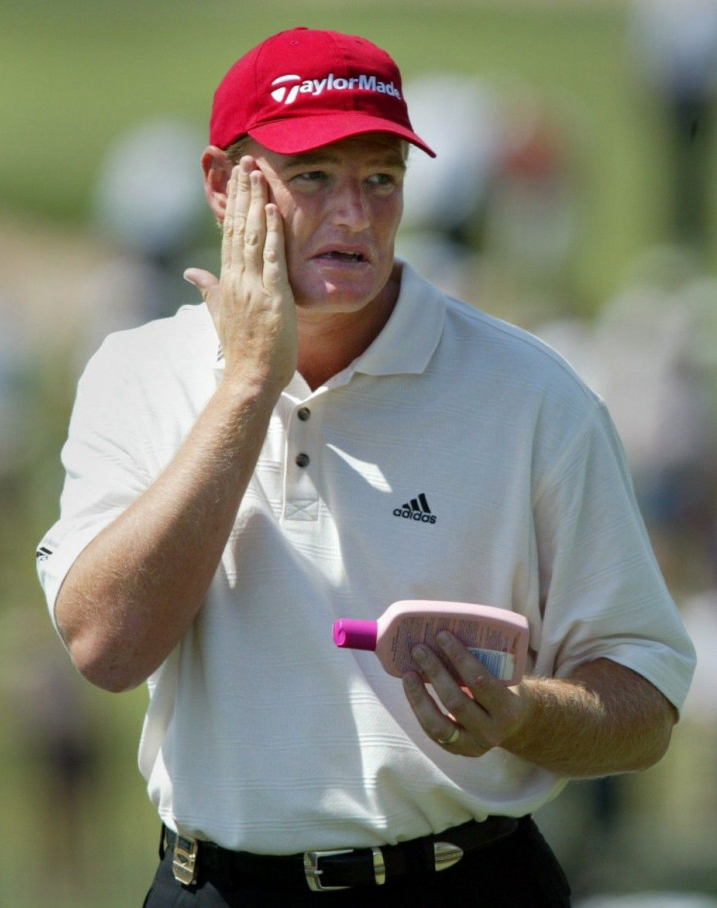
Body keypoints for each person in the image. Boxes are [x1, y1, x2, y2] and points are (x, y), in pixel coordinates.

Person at [36, 27, 696, 907]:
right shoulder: (137, 372)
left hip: (464, 880)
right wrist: (245, 389)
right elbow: (106, 648)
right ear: (225, 187)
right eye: (313, 177)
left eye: (380, 179)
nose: (353, 215)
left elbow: (645, 699)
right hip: (212, 888)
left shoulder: (533, 394)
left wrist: (526, 715)